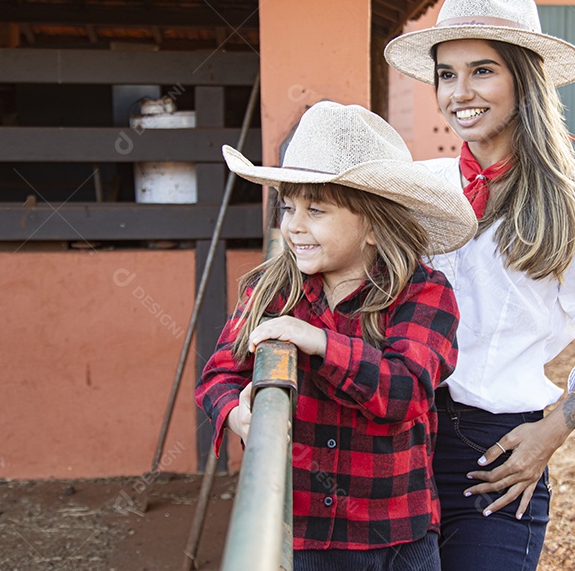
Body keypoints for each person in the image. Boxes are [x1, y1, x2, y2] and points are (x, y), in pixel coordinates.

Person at [384, 0, 575, 570]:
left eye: (482, 70)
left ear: (523, 79)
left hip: (497, 449)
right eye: (446, 75)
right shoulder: (411, 190)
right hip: (395, 438)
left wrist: (552, 432)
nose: (460, 92)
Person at [195, 101, 477, 570]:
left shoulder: (423, 294)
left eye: (317, 209)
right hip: (299, 533)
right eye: (288, 207)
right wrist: (237, 414)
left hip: (394, 538)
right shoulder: (268, 290)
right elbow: (219, 374)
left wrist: (319, 342)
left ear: (372, 225)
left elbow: (404, 391)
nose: (294, 225)